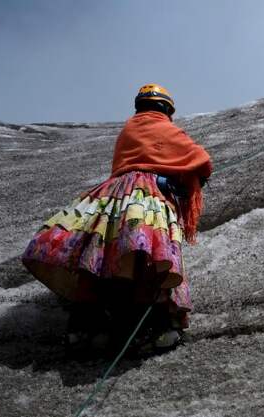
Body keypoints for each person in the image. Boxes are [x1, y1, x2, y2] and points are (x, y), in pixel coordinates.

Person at [22, 83, 212, 354]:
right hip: (147, 196)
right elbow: (201, 160)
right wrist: (185, 180)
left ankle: (88, 326)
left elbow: (135, 160)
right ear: (166, 109)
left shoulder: (127, 129)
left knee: (102, 253)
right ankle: (154, 326)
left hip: (113, 195)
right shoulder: (166, 128)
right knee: (149, 256)